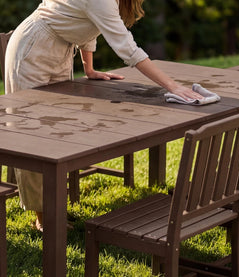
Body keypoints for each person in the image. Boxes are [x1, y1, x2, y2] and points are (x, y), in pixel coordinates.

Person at [4, 0, 203, 232]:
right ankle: (43, 215)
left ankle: (51, 202)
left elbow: (88, 25)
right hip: (33, 50)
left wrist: (88, 67)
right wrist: (173, 86)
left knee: (54, 131)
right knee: (35, 135)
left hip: (59, 49)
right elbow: (127, 48)